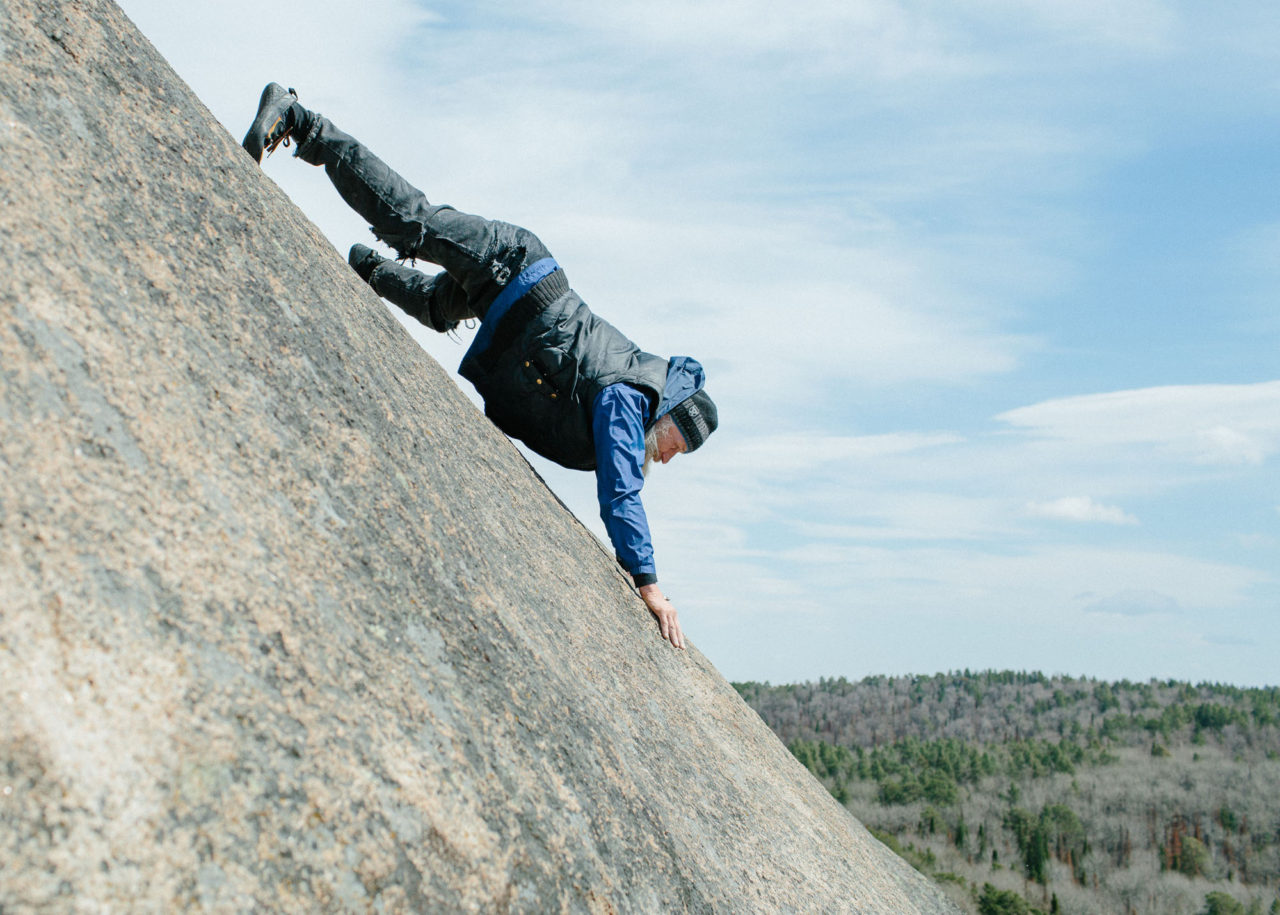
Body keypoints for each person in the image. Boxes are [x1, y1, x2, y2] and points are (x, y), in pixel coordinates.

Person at [242, 84, 718, 650]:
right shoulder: (630, 397)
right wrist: (650, 586)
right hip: (515, 267)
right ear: (668, 417)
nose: (665, 457)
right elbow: (621, 494)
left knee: (437, 308)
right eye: (673, 446)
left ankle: (364, 270)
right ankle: (298, 119)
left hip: (509, 311)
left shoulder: (633, 398)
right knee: (411, 222)